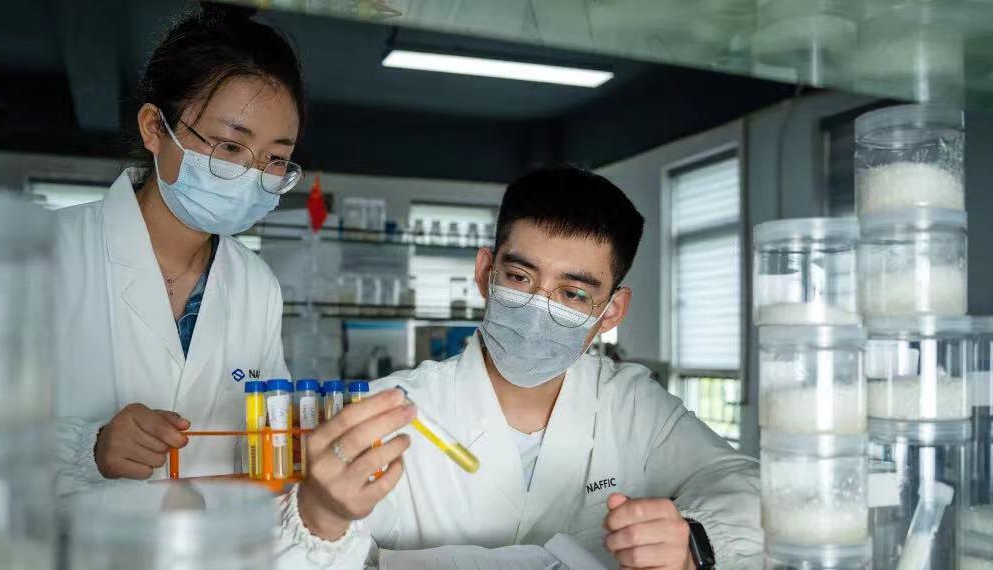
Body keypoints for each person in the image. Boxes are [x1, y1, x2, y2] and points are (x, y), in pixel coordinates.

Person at [276, 167, 762, 569]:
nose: (537, 309)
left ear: (611, 311)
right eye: (519, 276)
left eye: (573, 293)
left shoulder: (633, 405)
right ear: (485, 273)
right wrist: (319, 516)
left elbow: (750, 487)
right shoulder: (387, 411)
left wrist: (696, 541)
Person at [52, 3, 304, 494]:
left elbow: (269, 443)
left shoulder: (256, 285)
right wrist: (89, 448)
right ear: (154, 128)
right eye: (229, 146)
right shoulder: (47, 252)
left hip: (217, 535)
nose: (251, 174)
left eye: (276, 158)